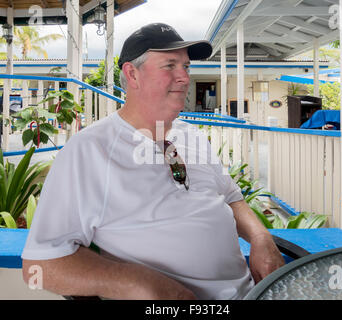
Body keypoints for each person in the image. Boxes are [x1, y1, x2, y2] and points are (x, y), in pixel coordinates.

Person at [22, 23, 284, 300]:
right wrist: (134, 281)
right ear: (132, 74)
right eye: (170, 65)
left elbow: (232, 198)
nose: (184, 77)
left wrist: (260, 238)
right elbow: (40, 266)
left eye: (186, 66)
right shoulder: (89, 150)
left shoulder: (190, 134)